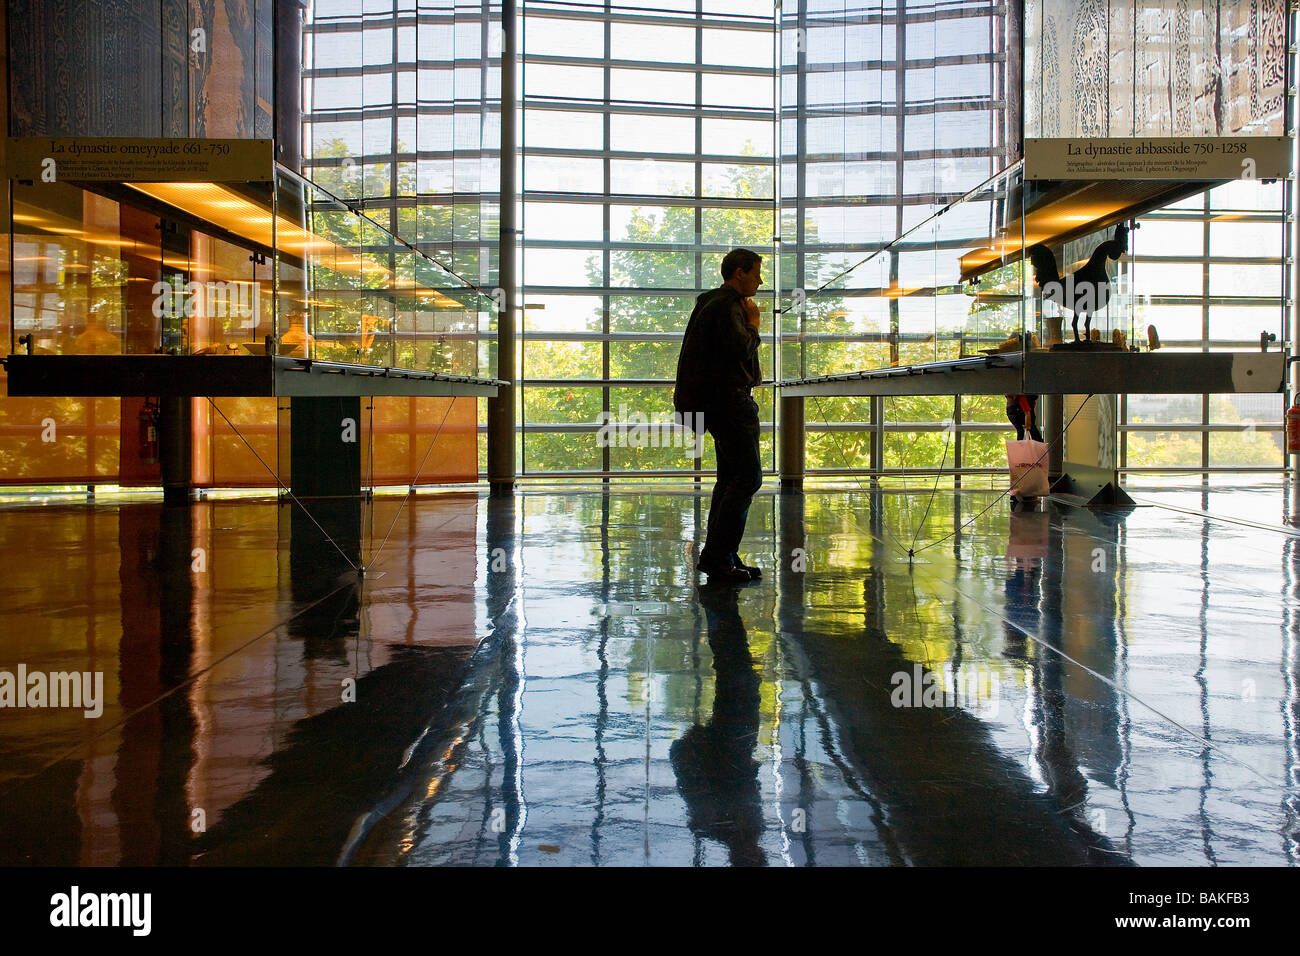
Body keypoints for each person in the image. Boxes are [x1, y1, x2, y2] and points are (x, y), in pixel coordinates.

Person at [674, 248, 764, 584]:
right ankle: (716, 557)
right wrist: (754, 325)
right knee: (747, 478)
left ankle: (722, 554)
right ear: (738, 272)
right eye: (755, 272)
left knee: (730, 479)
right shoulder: (727, 306)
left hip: (715, 403)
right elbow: (739, 349)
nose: (760, 279)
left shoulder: (711, 304)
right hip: (728, 402)